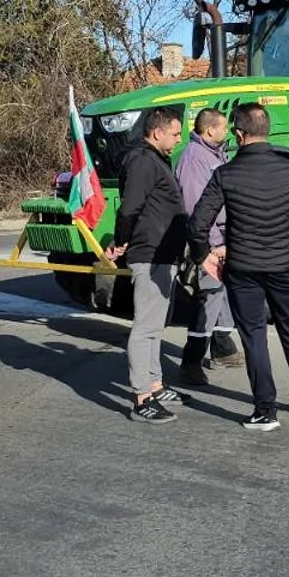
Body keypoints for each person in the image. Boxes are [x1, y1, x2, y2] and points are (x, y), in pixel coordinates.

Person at [186, 103, 289, 431]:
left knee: (254, 336)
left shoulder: (225, 173)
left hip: (243, 267)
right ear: (267, 130)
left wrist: (204, 255)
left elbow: (197, 224)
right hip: (283, 264)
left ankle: (265, 410)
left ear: (239, 133)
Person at [102, 105, 190, 425]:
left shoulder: (154, 159)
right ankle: (142, 398)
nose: (179, 139)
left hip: (163, 255)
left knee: (155, 327)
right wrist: (121, 240)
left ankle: (155, 384)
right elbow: (130, 208)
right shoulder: (142, 161)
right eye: (176, 133)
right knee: (145, 328)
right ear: (157, 132)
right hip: (150, 254)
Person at [174, 107, 243, 386]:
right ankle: (191, 361)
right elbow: (194, 207)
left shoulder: (215, 154)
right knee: (210, 294)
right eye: (223, 127)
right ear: (210, 130)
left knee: (222, 292)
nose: (226, 132)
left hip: (223, 237)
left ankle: (223, 347)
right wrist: (213, 244)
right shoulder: (194, 160)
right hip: (211, 241)